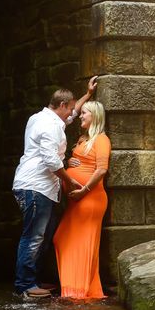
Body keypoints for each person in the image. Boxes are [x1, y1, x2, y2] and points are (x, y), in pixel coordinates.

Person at [12, 77, 98, 299]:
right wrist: (69, 180)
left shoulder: (42, 118)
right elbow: (51, 160)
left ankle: (34, 281)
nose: (72, 113)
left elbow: (71, 115)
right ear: (61, 105)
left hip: (39, 187)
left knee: (44, 234)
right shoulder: (50, 125)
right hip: (35, 187)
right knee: (33, 236)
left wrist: (86, 95)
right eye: (69, 108)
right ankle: (25, 286)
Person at [53, 100, 110, 299]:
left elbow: (101, 169)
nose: (81, 116)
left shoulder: (101, 139)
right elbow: (79, 161)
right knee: (61, 238)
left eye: (84, 113)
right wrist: (69, 161)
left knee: (82, 242)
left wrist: (83, 190)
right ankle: (79, 289)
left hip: (90, 199)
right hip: (76, 200)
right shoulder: (83, 139)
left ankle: (78, 292)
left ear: (94, 116)